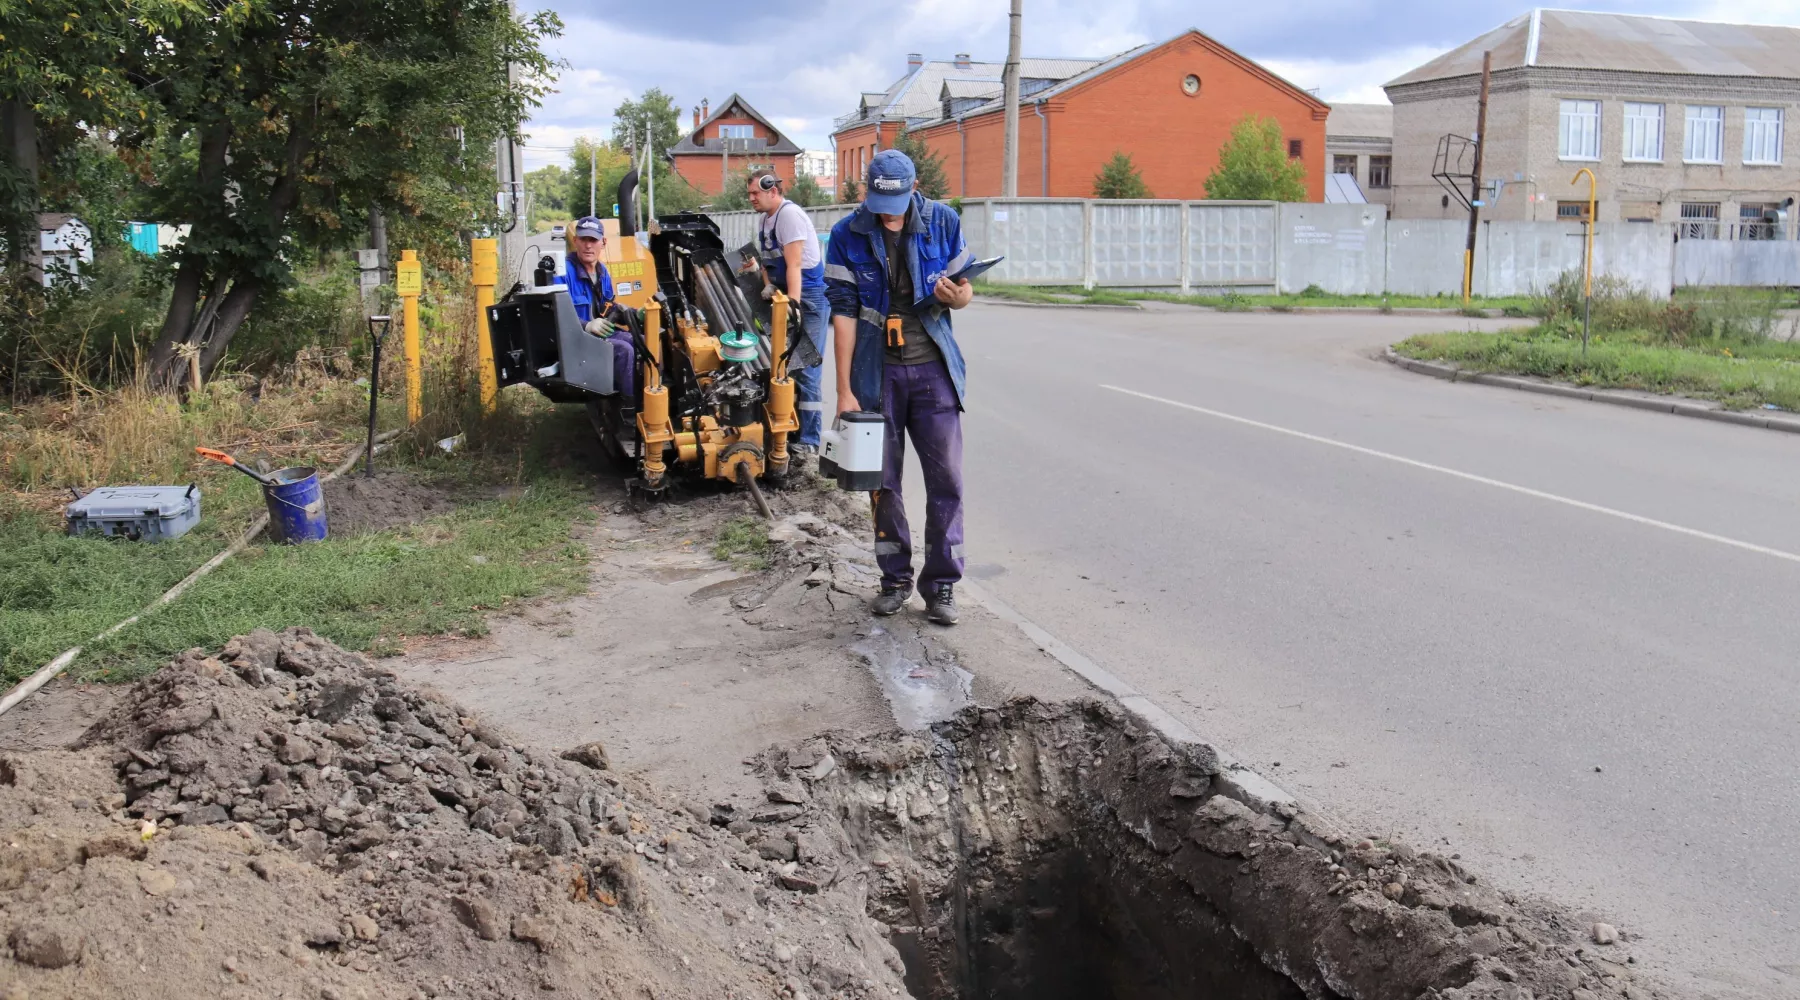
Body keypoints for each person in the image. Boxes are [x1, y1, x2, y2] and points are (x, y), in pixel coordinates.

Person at [823, 150, 975, 626]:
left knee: (946, 480)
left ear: (914, 188)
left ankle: (941, 585)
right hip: (878, 374)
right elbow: (843, 313)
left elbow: (966, 289)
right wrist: (844, 390)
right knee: (883, 485)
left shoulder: (943, 222)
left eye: (896, 201)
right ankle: (893, 580)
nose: (886, 212)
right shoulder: (847, 234)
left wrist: (961, 296)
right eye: (878, 201)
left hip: (933, 370)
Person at [748, 170, 828, 459]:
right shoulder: (764, 220)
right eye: (750, 194)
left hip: (807, 296)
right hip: (784, 292)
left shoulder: (789, 216)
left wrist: (793, 304)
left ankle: (809, 441)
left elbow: (794, 265)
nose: (752, 198)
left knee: (807, 367)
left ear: (772, 190)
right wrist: (768, 285)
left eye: (756, 193)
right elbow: (769, 260)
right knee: (786, 366)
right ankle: (789, 430)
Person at [560, 215, 635, 397]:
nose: (588, 245)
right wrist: (586, 325)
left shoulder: (602, 272)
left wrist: (634, 315)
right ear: (575, 241)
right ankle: (628, 412)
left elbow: (608, 307)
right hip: (576, 341)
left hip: (598, 335)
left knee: (642, 341)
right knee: (624, 350)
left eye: (593, 240)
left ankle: (649, 398)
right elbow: (557, 316)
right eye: (584, 239)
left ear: (603, 242)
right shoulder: (564, 272)